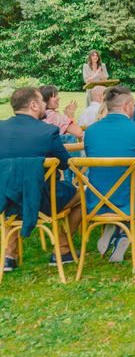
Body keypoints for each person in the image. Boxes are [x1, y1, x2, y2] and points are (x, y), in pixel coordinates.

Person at [0, 87, 80, 271]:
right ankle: (62, 249)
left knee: (12, 191)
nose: (45, 105)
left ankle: (9, 256)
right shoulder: (48, 131)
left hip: (5, 199)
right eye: (42, 102)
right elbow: (65, 164)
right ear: (34, 105)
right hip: (41, 200)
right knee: (83, 195)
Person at [84, 86, 135, 263]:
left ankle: (114, 227)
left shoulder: (90, 131)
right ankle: (123, 235)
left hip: (97, 198)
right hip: (129, 195)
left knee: (125, 191)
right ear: (127, 106)